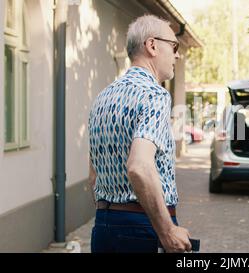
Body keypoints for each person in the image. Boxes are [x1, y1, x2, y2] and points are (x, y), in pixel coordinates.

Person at [88, 15, 192, 253]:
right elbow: (139, 166)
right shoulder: (155, 95)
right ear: (152, 45)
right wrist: (167, 231)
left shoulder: (102, 98)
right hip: (143, 228)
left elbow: (93, 176)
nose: (177, 55)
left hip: (103, 228)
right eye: (173, 46)